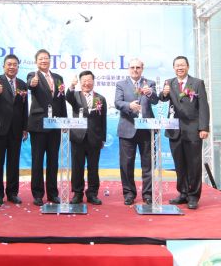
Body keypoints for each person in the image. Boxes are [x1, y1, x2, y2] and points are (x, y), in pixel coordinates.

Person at [160, 55, 210, 210]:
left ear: (187, 67)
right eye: (177, 65)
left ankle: (193, 196)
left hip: (193, 130)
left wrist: (204, 127)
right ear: (173, 68)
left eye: (182, 65)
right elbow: (162, 99)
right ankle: (182, 193)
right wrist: (164, 93)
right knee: (179, 164)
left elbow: (203, 106)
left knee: (194, 165)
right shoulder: (170, 82)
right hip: (175, 130)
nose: (179, 68)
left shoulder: (197, 83)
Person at [114, 58, 158, 205]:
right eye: (132, 67)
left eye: (138, 67)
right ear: (128, 68)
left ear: (142, 68)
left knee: (148, 164)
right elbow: (117, 102)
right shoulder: (121, 84)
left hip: (146, 129)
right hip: (127, 128)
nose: (135, 70)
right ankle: (129, 193)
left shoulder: (150, 83)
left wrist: (150, 93)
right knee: (126, 164)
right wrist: (129, 105)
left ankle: (148, 194)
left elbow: (156, 100)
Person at [27, 49, 67, 206]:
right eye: (40, 59)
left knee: (53, 160)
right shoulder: (33, 75)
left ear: (50, 61)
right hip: (38, 125)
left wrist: (63, 121)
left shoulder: (58, 78)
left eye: (46, 58)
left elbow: (61, 100)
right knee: (37, 160)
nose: (44, 61)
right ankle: (37, 194)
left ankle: (52, 193)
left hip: (55, 125)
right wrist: (33, 83)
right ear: (36, 61)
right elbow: (31, 85)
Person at [0, 54, 28, 205]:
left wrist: (25, 127)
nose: (12, 67)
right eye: (9, 64)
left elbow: (25, 107)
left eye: (14, 64)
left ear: (18, 67)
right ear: (4, 66)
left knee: (13, 163)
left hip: (16, 130)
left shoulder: (23, 84)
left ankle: (12, 193)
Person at [66, 71, 107, 205]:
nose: (87, 83)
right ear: (80, 81)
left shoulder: (100, 98)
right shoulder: (75, 95)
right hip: (78, 137)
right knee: (77, 167)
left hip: (94, 138)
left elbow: (103, 120)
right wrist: (71, 86)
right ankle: (77, 194)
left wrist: (103, 138)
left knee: (93, 167)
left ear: (93, 81)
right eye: (84, 80)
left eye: (89, 80)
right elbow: (68, 96)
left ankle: (92, 194)